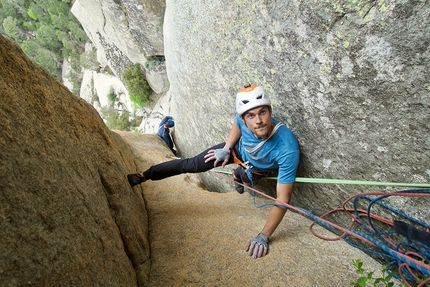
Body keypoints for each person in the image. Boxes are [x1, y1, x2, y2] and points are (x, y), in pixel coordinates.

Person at [127, 85, 300, 259]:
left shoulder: (287, 148)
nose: (258, 121)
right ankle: (144, 175)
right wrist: (226, 147)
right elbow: (237, 125)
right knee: (191, 164)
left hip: (257, 170)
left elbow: (283, 199)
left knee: (245, 177)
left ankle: (238, 175)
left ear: (270, 111)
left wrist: (264, 235)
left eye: (263, 112)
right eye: (251, 116)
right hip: (236, 152)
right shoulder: (243, 119)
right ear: (244, 117)